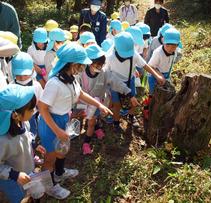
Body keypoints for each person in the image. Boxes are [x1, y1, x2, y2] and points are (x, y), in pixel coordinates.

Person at [38, 42, 112, 199]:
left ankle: (59, 172)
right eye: (81, 64)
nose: (83, 67)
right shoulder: (54, 83)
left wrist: (99, 105)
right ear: (72, 64)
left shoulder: (71, 79)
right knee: (50, 158)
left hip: (64, 118)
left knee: (63, 149)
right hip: (51, 123)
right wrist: (57, 131)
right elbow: (42, 108)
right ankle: (50, 186)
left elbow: (80, 94)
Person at [106, 32, 165, 131]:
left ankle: (131, 118)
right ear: (116, 48)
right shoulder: (109, 57)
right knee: (117, 105)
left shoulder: (133, 53)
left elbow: (144, 65)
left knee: (133, 102)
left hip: (130, 80)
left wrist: (157, 76)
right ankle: (116, 123)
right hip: (115, 84)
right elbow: (107, 73)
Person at [81, 44, 132, 155]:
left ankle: (91, 135)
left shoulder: (104, 73)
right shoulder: (81, 73)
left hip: (98, 102)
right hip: (83, 102)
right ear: (89, 63)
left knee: (93, 120)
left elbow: (115, 81)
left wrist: (127, 91)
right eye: (97, 65)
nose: (99, 67)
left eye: (101, 65)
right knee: (88, 120)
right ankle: (87, 140)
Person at [0, 84, 46, 203]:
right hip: (12, 179)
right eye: (31, 110)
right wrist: (15, 175)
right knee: (20, 197)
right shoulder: (3, 140)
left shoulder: (22, 122)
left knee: (30, 191)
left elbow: (26, 136)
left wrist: (34, 145)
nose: (34, 111)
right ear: (15, 115)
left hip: (25, 168)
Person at [11, 52, 43, 138]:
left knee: (32, 135)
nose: (22, 78)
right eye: (18, 75)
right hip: (16, 118)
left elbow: (40, 103)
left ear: (32, 70)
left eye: (25, 74)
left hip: (31, 116)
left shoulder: (36, 86)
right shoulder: (11, 86)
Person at [148, 27, 182, 95]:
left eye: (173, 46)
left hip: (166, 75)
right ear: (163, 42)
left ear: (177, 45)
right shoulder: (158, 53)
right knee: (153, 93)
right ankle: (150, 102)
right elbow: (150, 66)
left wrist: (166, 76)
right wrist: (159, 75)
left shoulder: (175, 51)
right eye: (167, 45)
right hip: (154, 76)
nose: (170, 49)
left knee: (167, 93)